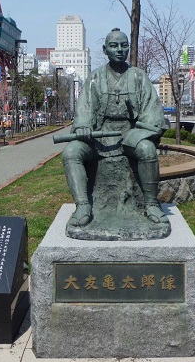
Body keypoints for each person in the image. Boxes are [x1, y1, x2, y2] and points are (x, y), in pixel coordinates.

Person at [62, 28, 168, 227]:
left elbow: (151, 110)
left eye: (123, 45)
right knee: (71, 152)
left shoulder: (138, 76)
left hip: (130, 135)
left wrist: (147, 128)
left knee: (147, 149)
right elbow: (84, 108)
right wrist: (83, 126)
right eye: (113, 46)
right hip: (99, 135)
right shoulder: (94, 78)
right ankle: (83, 205)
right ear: (105, 49)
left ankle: (151, 203)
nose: (119, 50)